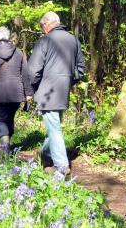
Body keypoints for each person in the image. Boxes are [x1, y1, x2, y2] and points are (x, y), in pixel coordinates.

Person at [28, 11, 85, 176]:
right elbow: (80, 70)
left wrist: (30, 89)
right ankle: (45, 155)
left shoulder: (44, 41)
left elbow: (33, 71)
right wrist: (66, 79)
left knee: (54, 128)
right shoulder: (74, 40)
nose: (42, 29)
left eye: (42, 26)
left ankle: (61, 165)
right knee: (53, 126)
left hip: (47, 92)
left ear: (47, 25)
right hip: (63, 91)